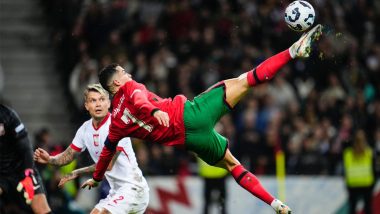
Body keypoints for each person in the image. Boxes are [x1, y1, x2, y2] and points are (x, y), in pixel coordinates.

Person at [84, 24, 323, 214]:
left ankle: (275, 204)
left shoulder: (115, 124)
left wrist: (96, 178)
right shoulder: (130, 88)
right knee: (245, 79)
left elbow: (106, 152)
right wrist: (155, 111)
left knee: (233, 166)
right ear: (116, 82)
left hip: (191, 141)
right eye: (124, 73)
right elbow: (139, 98)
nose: (129, 74)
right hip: (191, 115)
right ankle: (294, 51)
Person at [34, 84, 149, 214]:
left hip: (134, 189)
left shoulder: (117, 126)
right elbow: (68, 155)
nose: (98, 104)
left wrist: (77, 172)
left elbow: (108, 164)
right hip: (116, 192)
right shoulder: (85, 129)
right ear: (86, 106)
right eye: (93, 100)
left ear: (109, 103)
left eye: (101, 99)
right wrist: (50, 159)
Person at [0, 104, 51, 214]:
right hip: (1, 174)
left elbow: (26, 148)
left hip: (20, 169)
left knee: (42, 210)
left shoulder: (8, 115)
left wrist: (28, 174)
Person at [343, 129, 375, 214]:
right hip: (366, 183)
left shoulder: (347, 154)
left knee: (353, 208)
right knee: (367, 209)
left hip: (353, 184)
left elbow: (345, 171)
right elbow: (374, 169)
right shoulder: (369, 152)